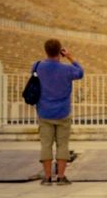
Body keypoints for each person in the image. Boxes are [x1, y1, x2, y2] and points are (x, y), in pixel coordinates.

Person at [33, 38, 84, 186]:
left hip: (44, 111)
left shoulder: (37, 66)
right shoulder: (67, 69)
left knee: (46, 145)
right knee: (63, 145)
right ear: (60, 51)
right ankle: (61, 177)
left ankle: (47, 177)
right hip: (63, 112)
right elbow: (80, 72)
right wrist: (69, 57)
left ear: (46, 50)